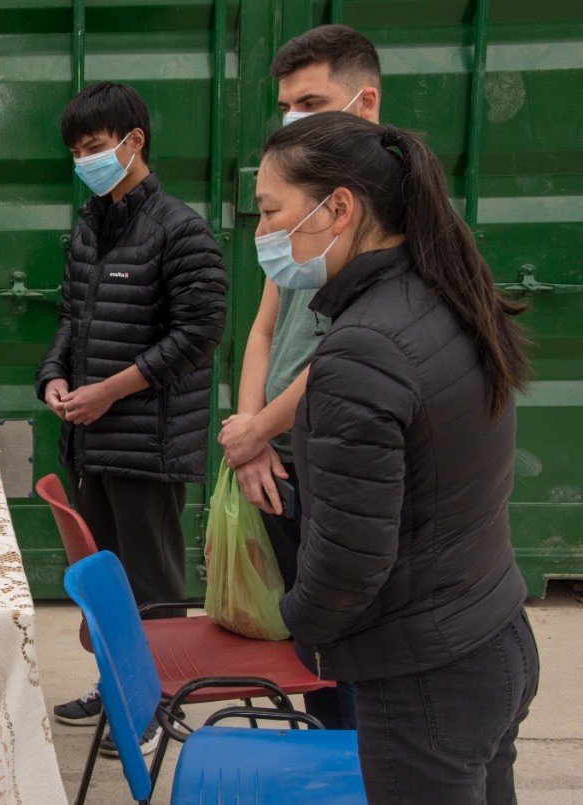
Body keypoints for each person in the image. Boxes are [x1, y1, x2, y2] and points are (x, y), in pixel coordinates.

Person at [260, 113, 538, 804]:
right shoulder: (444, 291)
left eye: (270, 211)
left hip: (428, 680)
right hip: (492, 632)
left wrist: (300, 620)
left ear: (340, 208)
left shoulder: (361, 348)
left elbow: (352, 556)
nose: (262, 233)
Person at [36, 81, 227, 754]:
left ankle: (157, 705)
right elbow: (71, 318)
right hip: (90, 434)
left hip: (148, 442)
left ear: (133, 141)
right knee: (106, 580)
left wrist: (111, 390)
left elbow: (199, 333)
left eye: (94, 146)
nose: (85, 159)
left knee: (151, 584)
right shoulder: (90, 224)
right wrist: (55, 375)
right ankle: (117, 682)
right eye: (77, 150)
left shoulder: (180, 228)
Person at [218, 23, 382, 730]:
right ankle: (323, 756)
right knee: (308, 638)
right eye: (287, 105)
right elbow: (262, 328)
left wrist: (260, 426)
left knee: (351, 646)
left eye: (311, 102)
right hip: (277, 456)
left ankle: (350, 764)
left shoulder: (383, 213)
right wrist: (254, 433)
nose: (294, 121)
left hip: (329, 455)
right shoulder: (299, 202)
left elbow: (352, 351)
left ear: (365, 103)